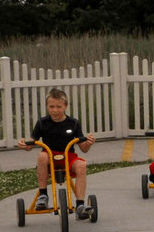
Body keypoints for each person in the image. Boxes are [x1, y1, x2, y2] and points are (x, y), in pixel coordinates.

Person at [16, 88, 96, 220]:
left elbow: (84, 148)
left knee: (82, 165)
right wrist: (24, 144)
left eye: (58, 106)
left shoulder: (73, 123)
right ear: (47, 107)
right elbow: (31, 143)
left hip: (68, 156)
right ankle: (43, 195)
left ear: (65, 106)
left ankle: (80, 205)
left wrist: (89, 142)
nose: (55, 110)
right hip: (49, 156)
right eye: (51, 107)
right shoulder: (42, 123)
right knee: (42, 156)